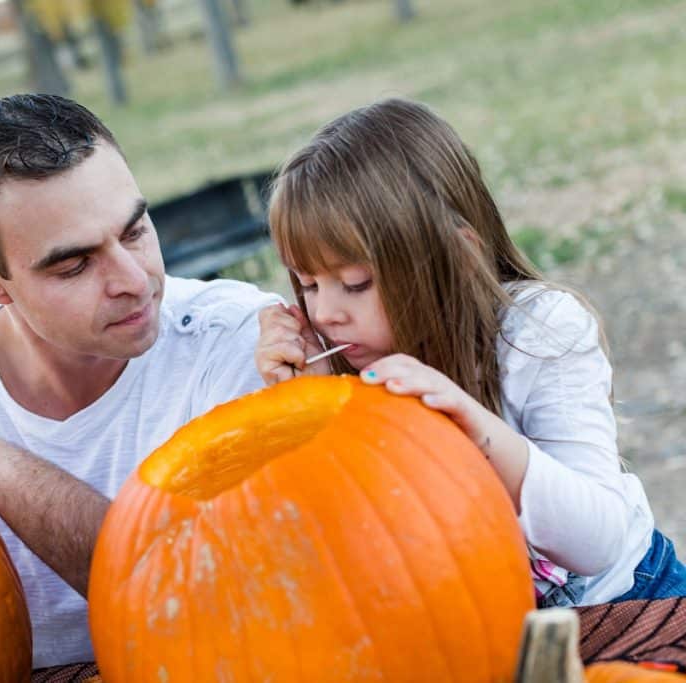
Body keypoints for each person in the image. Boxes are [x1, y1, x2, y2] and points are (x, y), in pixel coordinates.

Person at [0, 94, 280, 668]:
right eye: (74, 265)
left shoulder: (238, 341)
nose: (133, 280)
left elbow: (201, 594)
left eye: (136, 230)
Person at [254, 98, 686, 608]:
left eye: (355, 282)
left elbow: (597, 543)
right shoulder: (346, 360)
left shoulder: (537, 332)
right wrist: (316, 407)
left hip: (627, 600)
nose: (325, 312)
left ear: (458, 258)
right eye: (307, 284)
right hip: (490, 631)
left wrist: (476, 428)